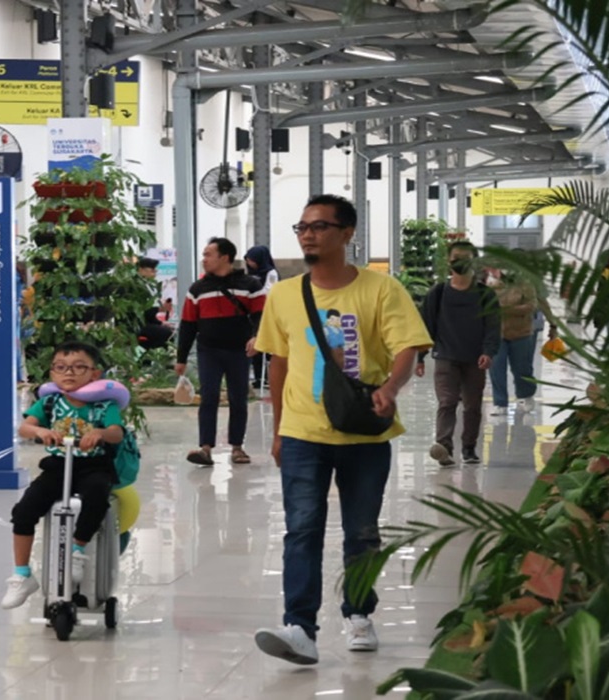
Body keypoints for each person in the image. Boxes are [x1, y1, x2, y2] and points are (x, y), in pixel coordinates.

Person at [252, 195, 432, 664]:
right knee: (301, 529)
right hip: (302, 433)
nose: (308, 235)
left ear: (347, 234)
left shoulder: (381, 289)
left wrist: (391, 387)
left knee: (362, 532)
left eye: (319, 227)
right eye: (302, 227)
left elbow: (408, 346)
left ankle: (359, 613)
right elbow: (278, 363)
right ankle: (300, 627)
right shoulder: (284, 295)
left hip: (363, 432)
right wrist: (278, 430)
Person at [1, 341, 125, 610]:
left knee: (97, 496)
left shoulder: (105, 405)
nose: (69, 372)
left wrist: (100, 433)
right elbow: (25, 428)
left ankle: (78, 549)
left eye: (79, 367)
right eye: (61, 367)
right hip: (58, 465)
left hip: (94, 466)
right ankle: (22, 574)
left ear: (94, 373)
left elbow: (117, 432)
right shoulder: (49, 402)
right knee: (25, 510)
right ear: (52, 372)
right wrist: (40, 431)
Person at [176, 237, 265, 467]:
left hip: (238, 351)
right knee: (209, 397)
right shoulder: (197, 289)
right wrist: (181, 358)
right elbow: (188, 324)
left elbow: (262, 316)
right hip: (209, 351)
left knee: (238, 398)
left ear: (224, 257)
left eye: (208, 255)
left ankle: (237, 447)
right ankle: (205, 448)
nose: (204, 259)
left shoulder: (251, 285)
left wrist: (257, 336)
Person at [417, 241, 501, 467]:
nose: (461, 263)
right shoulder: (438, 293)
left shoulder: (485, 294)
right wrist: (420, 357)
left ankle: (469, 447)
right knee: (447, 402)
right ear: (449, 261)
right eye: (456, 258)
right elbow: (426, 326)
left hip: (475, 359)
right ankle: (444, 447)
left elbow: (493, 326)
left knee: (472, 406)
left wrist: (488, 352)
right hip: (445, 356)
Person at [488, 268, 540, 416]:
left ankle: (525, 395)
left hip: (521, 333)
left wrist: (506, 310)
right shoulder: (491, 286)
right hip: (498, 333)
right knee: (496, 368)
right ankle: (500, 403)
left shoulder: (526, 284)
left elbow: (532, 305)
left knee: (522, 368)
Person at [245, 245, 280, 389]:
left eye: (252, 260)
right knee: (255, 346)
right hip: (252, 314)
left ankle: (270, 376)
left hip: (267, 313)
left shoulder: (270, 273)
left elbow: (269, 291)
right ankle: (259, 377)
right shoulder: (250, 273)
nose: (250, 263)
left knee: (267, 346)